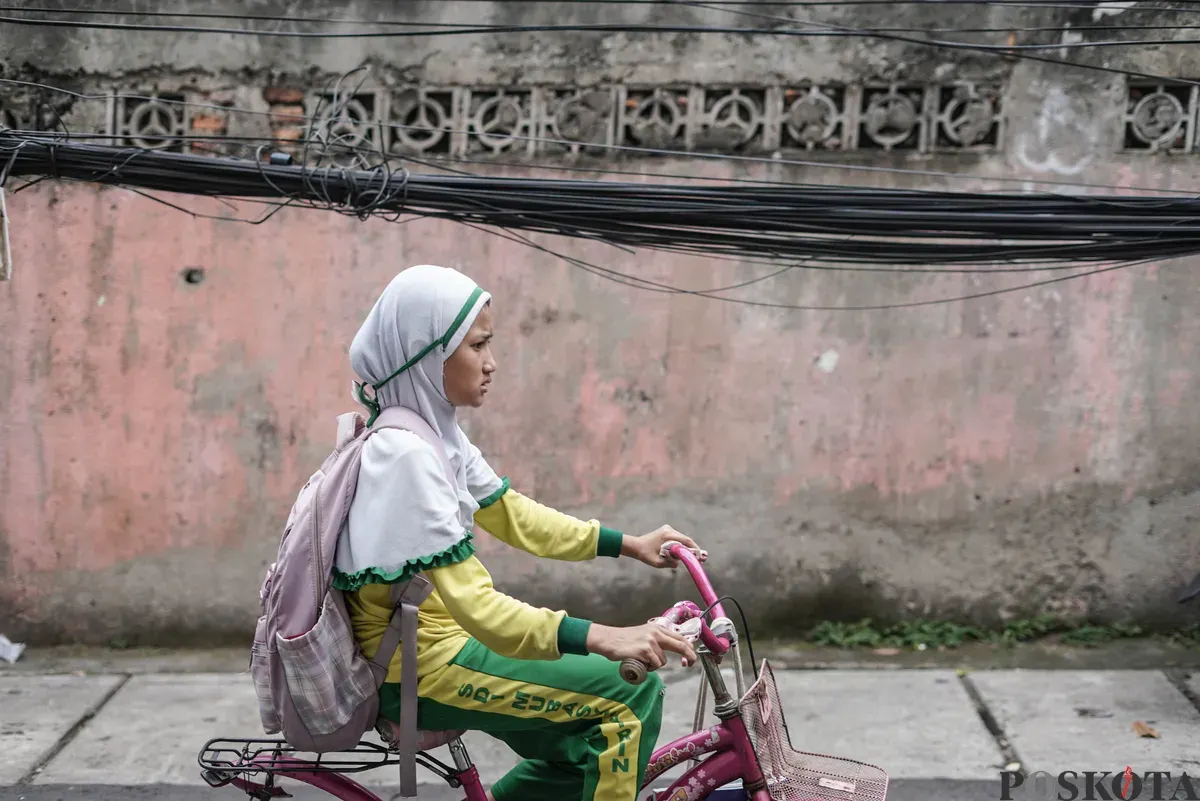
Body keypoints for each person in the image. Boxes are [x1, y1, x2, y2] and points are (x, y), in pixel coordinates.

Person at [338, 264, 704, 801]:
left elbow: (513, 514)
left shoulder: (433, 434)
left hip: (444, 647)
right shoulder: (404, 455)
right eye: (478, 346)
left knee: (584, 747)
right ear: (427, 353)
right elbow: (481, 610)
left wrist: (628, 543)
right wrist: (605, 636)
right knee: (627, 699)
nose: (492, 364)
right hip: (421, 667)